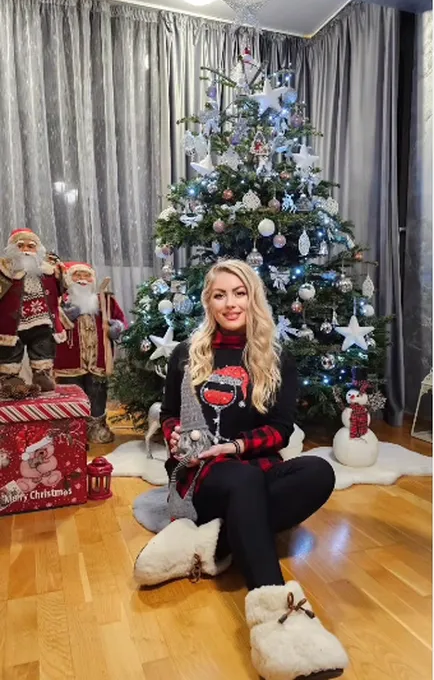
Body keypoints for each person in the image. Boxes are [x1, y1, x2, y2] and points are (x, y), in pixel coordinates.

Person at [134, 259, 348, 680]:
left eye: (239, 293)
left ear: (253, 298)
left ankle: (210, 545)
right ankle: (276, 622)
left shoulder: (276, 358)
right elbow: (171, 413)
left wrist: (235, 446)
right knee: (244, 479)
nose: (230, 303)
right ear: (208, 302)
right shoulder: (186, 354)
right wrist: (176, 436)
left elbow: (281, 429)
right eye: (220, 295)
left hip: (250, 466)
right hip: (201, 474)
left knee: (318, 473)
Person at [54, 262, 126, 443]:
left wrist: (116, 327)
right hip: (69, 361)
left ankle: (97, 429)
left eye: (86, 275)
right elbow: (50, 325)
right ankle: (73, 431)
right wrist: (65, 316)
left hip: (98, 360)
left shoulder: (104, 300)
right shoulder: (60, 301)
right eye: (77, 275)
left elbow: (120, 319)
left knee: (97, 393)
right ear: (69, 279)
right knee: (71, 395)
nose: (82, 279)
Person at [0, 228, 66, 397]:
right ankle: (9, 379)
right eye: (20, 246)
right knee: (10, 351)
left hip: (42, 321)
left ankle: (41, 375)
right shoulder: (5, 271)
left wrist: (62, 275)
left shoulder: (48, 272)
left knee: (43, 348)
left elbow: (61, 292)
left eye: (31, 246)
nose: (26, 250)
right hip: (12, 323)